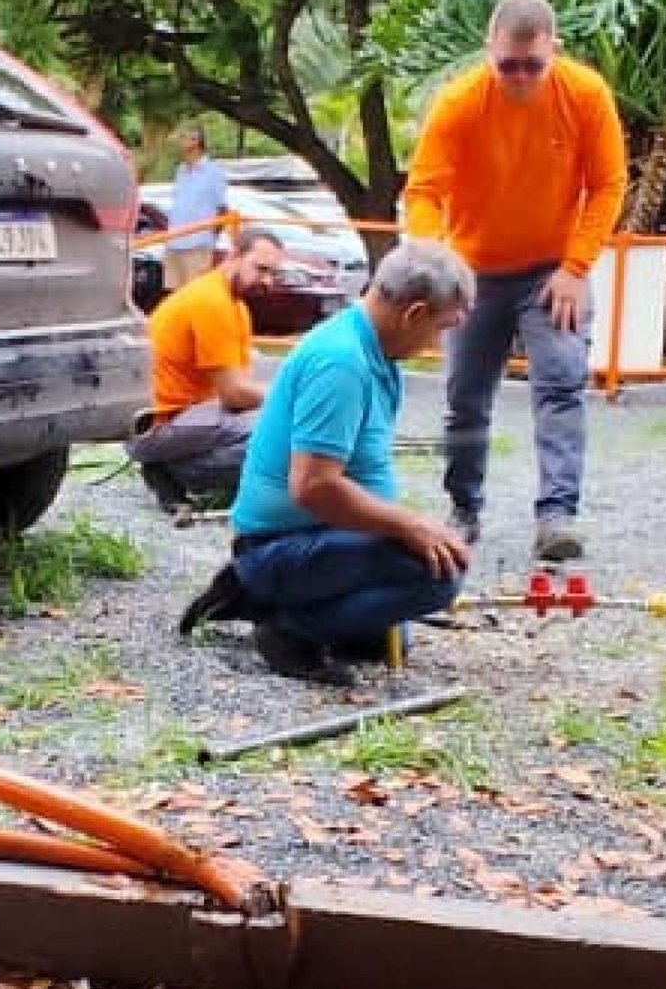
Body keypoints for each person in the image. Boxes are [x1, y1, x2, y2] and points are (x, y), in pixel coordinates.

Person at [175, 241, 477, 683]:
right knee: (438, 578)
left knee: (389, 632)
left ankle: (269, 596)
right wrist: (409, 526)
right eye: (441, 327)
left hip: (318, 538)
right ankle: (285, 626)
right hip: (280, 544)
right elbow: (313, 486)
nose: (438, 342)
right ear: (413, 314)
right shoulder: (342, 363)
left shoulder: (375, 351)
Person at [404, 0, 628, 565]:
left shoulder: (585, 94)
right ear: (489, 52)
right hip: (473, 273)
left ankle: (557, 516)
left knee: (560, 383)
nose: (521, 76)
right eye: (509, 65)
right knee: (464, 397)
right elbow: (424, 192)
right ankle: (464, 508)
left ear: (554, 49)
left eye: (533, 64)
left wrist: (576, 269)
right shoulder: (459, 104)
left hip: (552, 272)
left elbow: (607, 184)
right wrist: (439, 269)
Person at [129, 229, 287, 512]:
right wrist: (295, 396)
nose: (267, 281)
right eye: (260, 269)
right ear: (233, 256)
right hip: (155, 422)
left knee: (278, 421)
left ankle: (171, 468)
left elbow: (240, 389)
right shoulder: (212, 302)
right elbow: (235, 395)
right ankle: (175, 471)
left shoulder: (235, 306)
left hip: (189, 415)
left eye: (273, 274)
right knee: (284, 431)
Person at [167, 128, 231, 287]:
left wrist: (209, 238)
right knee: (175, 295)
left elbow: (222, 208)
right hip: (174, 241)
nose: (180, 141)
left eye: (184, 137)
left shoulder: (213, 172)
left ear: (196, 142)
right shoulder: (180, 170)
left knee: (194, 291)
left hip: (198, 243)